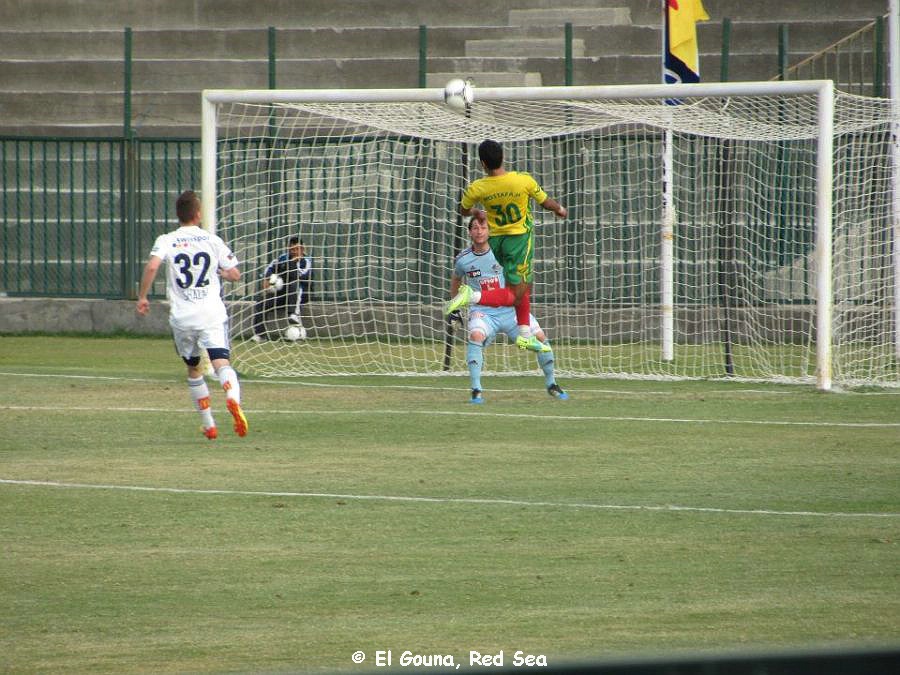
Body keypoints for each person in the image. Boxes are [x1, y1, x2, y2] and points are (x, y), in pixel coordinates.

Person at [135, 189, 248, 440]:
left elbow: (153, 265)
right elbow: (235, 274)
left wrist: (142, 296)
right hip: (211, 313)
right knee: (221, 363)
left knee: (194, 369)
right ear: (198, 214)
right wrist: (221, 273)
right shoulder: (211, 240)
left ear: (179, 215)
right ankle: (231, 396)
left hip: (184, 317)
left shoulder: (167, 239)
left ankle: (209, 424)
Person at [447, 138, 567, 354]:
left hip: (496, 243)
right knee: (517, 293)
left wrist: (476, 212)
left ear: (482, 163)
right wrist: (559, 210)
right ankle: (472, 297)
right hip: (518, 240)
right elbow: (545, 201)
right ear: (503, 156)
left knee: (523, 284)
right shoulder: (522, 180)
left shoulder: (478, 188)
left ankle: (524, 335)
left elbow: (463, 210)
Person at [451, 216, 569, 404]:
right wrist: (454, 308)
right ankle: (476, 390)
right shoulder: (463, 259)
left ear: (490, 231)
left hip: (510, 311)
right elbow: (456, 279)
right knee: (476, 336)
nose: (479, 231)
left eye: (483, 227)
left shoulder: (504, 253)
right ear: (469, 232)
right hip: (484, 312)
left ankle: (551, 384)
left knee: (540, 338)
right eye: (474, 227)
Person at [251, 236, 311, 342]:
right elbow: (270, 268)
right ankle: (260, 335)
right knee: (261, 303)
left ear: (302, 249)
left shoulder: (306, 262)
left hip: (299, 295)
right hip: (280, 293)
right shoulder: (282, 258)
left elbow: (299, 276)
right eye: (292, 249)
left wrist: (292, 263)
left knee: (294, 284)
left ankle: (293, 314)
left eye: (297, 249)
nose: (294, 252)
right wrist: (267, 278)